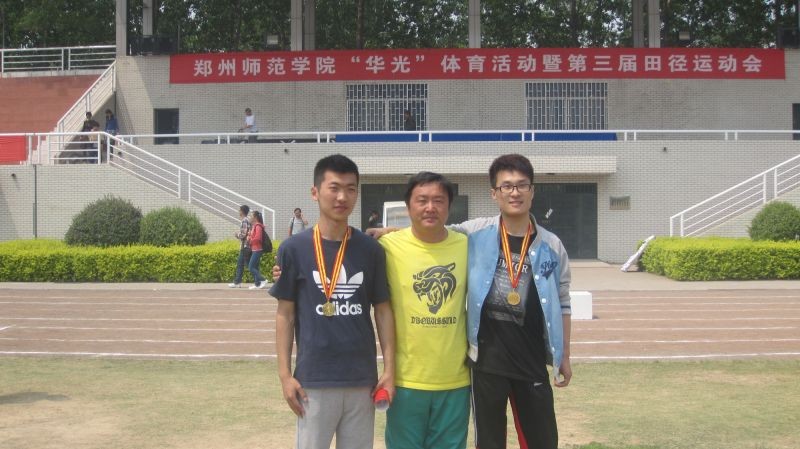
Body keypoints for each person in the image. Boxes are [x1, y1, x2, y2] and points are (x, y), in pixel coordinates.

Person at [269, 154, 396, 449]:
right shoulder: (293, 249)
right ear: (315, 192)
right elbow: (285, 315)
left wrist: (389, 371)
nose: (342, 197)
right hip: (313, 380)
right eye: (334, 188)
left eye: (351, 189)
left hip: (362, 380)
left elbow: (383, 311)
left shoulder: (370, 250)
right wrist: (285, 375)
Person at [453, 154, 572, 449]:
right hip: (486, 364)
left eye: (522, 185)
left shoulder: (552, 245)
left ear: (532, 191)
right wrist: (389, 233)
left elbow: (563, 302)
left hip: (531, 360)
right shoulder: (474, 233)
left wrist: (564, 356)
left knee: (543, 441)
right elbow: (433, 233)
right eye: (506, 186)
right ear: (494, 194)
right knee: (489, 443)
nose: (514, 192)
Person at [379, 172, 470, 449]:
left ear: (449, 206)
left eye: (438, 201)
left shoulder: (468, 246)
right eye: (422, 200)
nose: (430, 207)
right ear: (408, 206)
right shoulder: (387, 246)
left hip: (455, 380)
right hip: (405, 380)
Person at [228, 205, 252, 288]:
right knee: (243, 264)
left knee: (246, 265)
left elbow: (243, 234)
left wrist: (237, 235)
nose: (239, 211)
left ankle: (259, 280)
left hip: (245, 246)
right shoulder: (248, 220)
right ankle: (237, 282)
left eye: (239, 210)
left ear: (242, 211)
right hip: (246, 245)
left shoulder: (244, 220)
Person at [247, 210, 268, 290]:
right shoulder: (254, 226)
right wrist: (250, 236)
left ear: (255, 217)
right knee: (255, 267)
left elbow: (258, 238)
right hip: (255, 249)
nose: (250, 217)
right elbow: (254, 236)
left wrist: (250, 240)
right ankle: (257, 284)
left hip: (257, 249)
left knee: (251, 267)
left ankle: (263, 280)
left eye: (251, 216)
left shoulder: (258, 226)